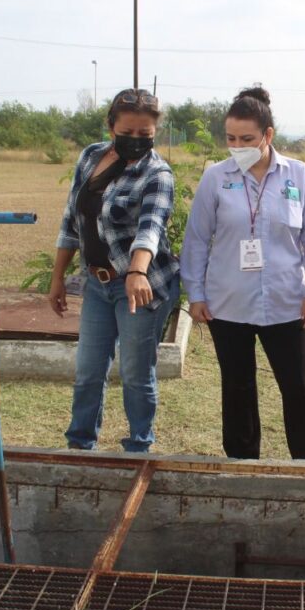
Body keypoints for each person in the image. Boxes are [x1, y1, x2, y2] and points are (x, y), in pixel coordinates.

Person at [180, 87, 305, 460]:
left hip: (285, 302)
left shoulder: (299, 176)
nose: (237, 145)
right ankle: (242, 464)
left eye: (246, 139)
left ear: (268, 135)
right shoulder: (215, 178)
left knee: (297, 386)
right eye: (231, 138)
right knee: (237, 387)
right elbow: (197, 240)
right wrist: (196, 294)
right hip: (227, 304)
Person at [49, 89, 180, 453]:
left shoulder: (158, 173)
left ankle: (139, 447)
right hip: (97, 283)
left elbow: (150, 228)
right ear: (111, 127)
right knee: (89, 371)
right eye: (129, 132)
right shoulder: (91, 157)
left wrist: (137, 272)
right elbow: (70, 220)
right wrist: (58, 276)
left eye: (146, 135)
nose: (137, 141)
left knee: (136, 375)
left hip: (141, 287)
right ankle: (79, 445)